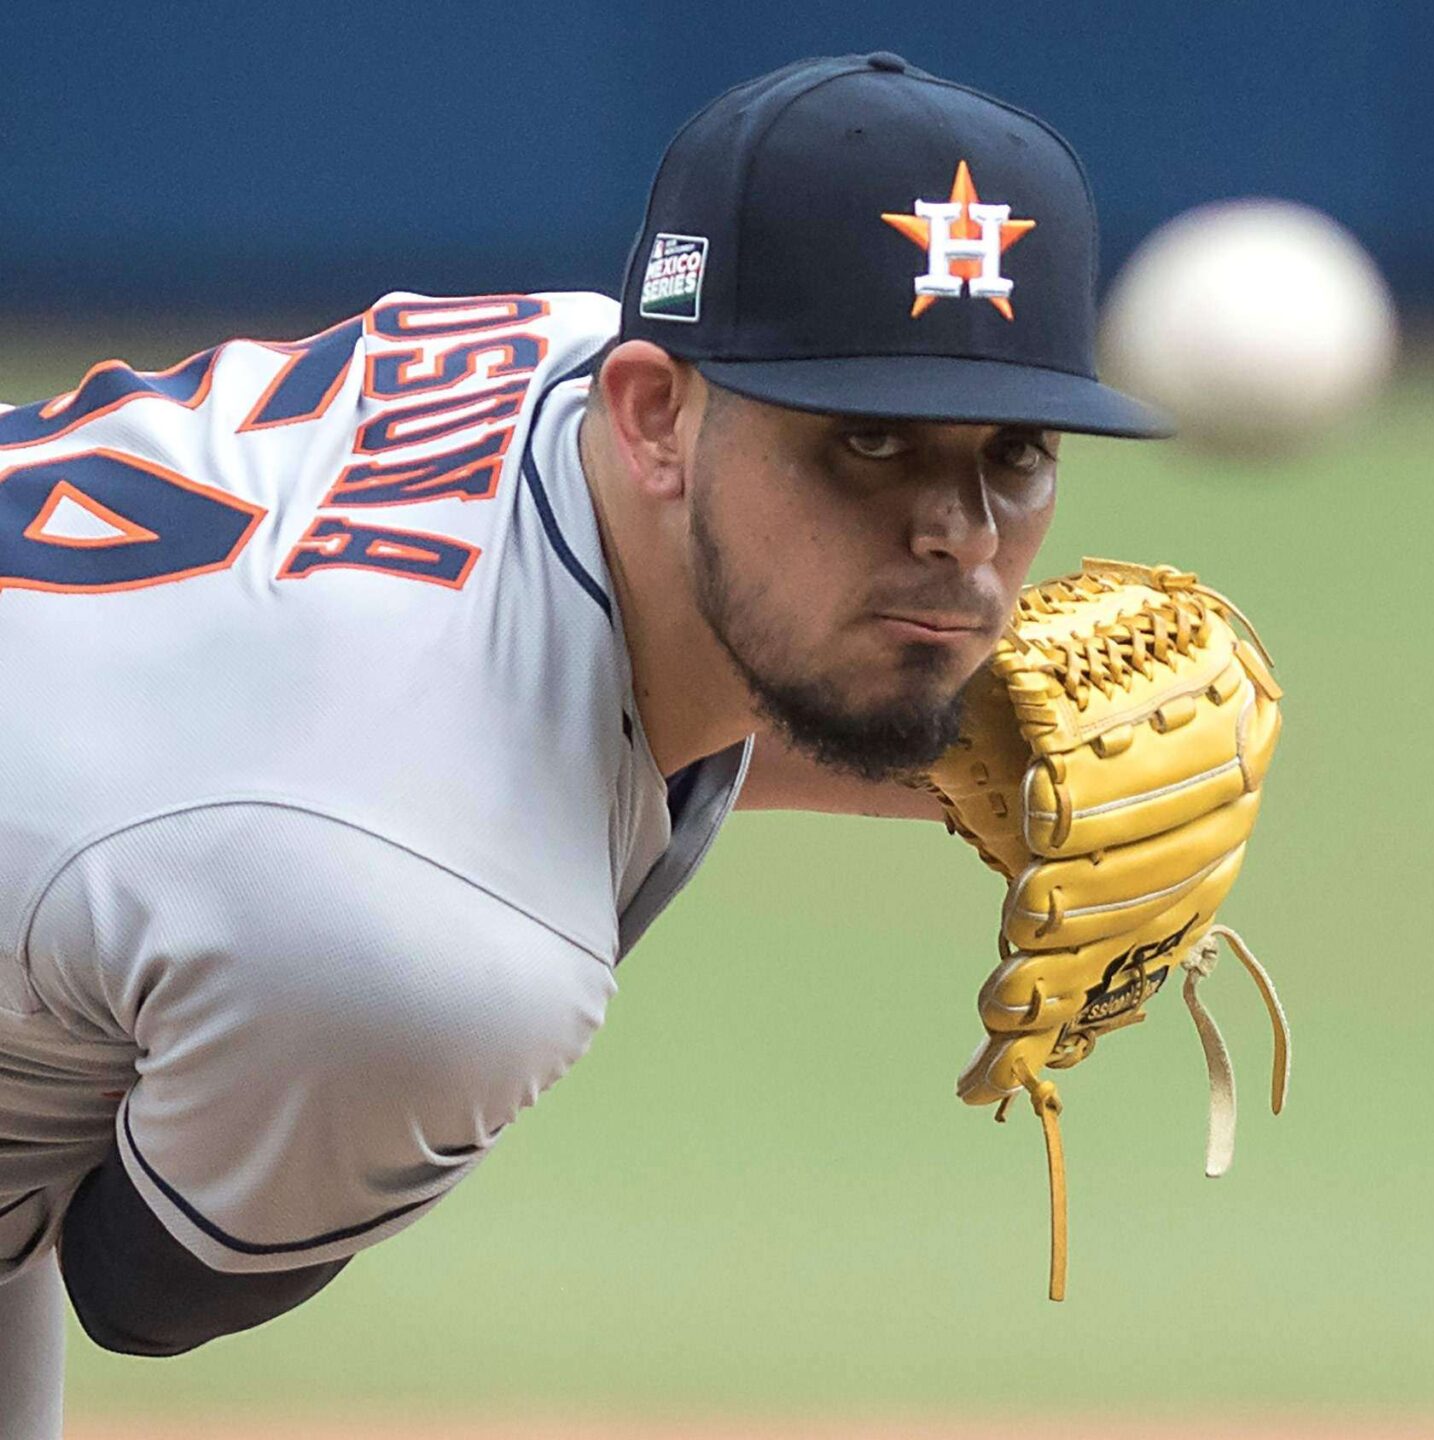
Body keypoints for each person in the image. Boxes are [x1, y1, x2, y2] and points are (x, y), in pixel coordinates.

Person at [0, 51, 1169, 1433]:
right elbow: (146, 1288)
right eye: (869, 441)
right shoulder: (422, 935)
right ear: (653, 415)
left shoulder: (564, 358)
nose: (961, 539)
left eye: (1017, 451)